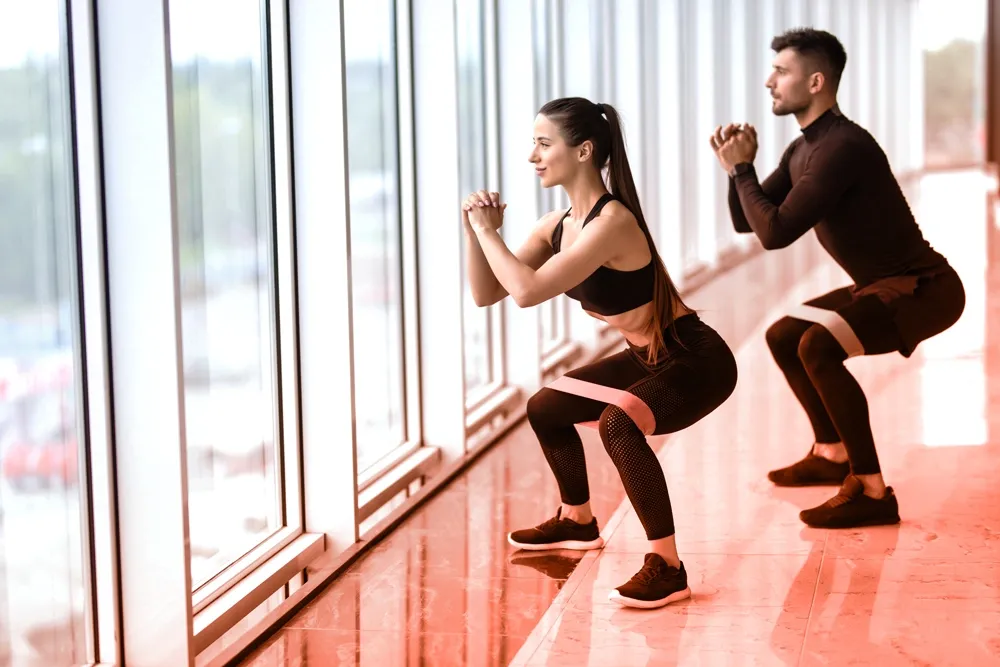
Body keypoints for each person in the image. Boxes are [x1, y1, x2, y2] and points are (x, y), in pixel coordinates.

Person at [462, 97, 738, 609]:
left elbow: (526, 291)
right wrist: (473, 231)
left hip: (695, 359)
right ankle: (577, 520)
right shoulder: (558, 224)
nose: (533, 157)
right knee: (546, 405)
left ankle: (668, 566)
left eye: (544, 144)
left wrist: (487, 232)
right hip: (645, 356)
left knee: (618, 422)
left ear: (584, 150)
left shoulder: (612, 223)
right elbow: (488, 292)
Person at [710, 28, 965, 529]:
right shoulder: (804, 148)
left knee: (817, 347)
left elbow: (776, 233)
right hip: (880, 284)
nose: (770, 82)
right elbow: (749, 220)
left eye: (782, 72)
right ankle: (830, 454)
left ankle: (871, 489)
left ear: (817, 81)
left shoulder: (843, 146)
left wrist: (741, 171)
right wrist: (736, 171)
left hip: (924, 289)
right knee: (785, 335)